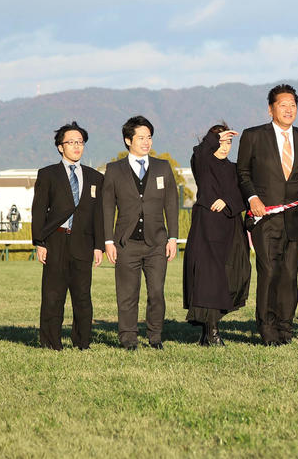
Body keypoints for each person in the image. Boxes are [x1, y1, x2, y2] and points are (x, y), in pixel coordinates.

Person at [236, 84, 298, 346]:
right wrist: (252, 198)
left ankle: (285, 327)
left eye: (293, 105)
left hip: (295, 220)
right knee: (269, 272)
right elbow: (242, 173)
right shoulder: (253, 136)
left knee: (289, 276)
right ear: (271, 109)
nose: (288, 109)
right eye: (283, 105)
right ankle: (267, 327)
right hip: (266, 219)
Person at [101, 115, 179, 351]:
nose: (147, 142)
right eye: (141, 137)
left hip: (157, 242)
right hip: (126, 243)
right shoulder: (114, 170)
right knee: (127, 295)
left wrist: (173, 237)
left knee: (156, 292)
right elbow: (107, 206)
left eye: (149, 137)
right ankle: (128, 338)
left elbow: (172, 204)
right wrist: (108, 240)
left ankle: (155, 337)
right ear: (128, 140)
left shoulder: (162, 167)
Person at [31, 122, 104, 351]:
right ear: (60, 147)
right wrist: (40, 242)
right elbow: (39, 210)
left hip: (83, 242)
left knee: (83, 297)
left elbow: (99, 215)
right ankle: (51, 342)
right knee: (53, 296)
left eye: (80, 142)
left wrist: (98, 246)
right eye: (71, 142)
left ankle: (83, 342)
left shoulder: (94, 177)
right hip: (55, 241)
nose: (76, 146)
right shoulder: (48, 174)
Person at [182, 123, 251, 346]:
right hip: (207, 228)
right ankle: (211, 332)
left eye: (228, 142)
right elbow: (199, 151)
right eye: (220, 142)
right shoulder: (203, 163)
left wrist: (228, 201)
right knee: (208, 280)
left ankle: (208, 332)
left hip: (231, 229)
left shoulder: (235, 168)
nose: (224, 146)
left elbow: (244, 194)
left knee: (233, 278)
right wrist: (217, 136)